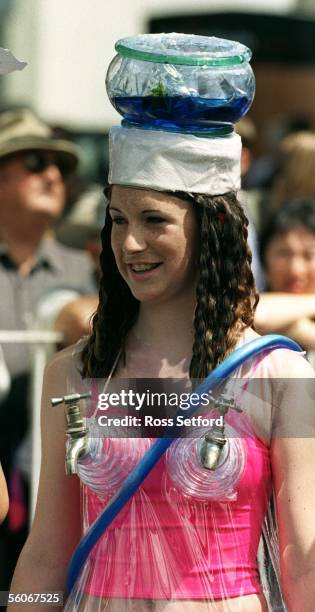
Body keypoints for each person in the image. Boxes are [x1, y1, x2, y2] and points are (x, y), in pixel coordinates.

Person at [10, 40, 315, 612]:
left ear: (209, 227)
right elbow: (45, 553)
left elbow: (304, 559)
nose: (128, 244)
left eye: (154, 220)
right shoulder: (73, 372)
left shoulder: (279, 373)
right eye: (117, 219)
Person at [0, 108, 97, 588]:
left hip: (66, 487)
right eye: (36, 161)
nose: (54, 175)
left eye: (61, 166)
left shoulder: (89, 269)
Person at [255, 199, 315, 510]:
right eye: (283, 253)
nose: (296, 268)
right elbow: (256, 312)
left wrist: (298, 326)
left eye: (309, 255)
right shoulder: (245, 308)